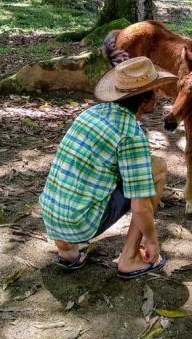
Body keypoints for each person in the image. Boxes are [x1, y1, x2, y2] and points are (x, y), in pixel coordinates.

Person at [39, 56, 176, 280]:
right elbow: (140, 206)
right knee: (156, 168)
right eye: (155, 91)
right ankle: (129, 259)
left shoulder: (91, 113)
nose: (159, 96)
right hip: (80, 222)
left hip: (52, 216)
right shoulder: (131, 133)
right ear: (145, 98)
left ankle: (67, 251)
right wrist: (152, 240)